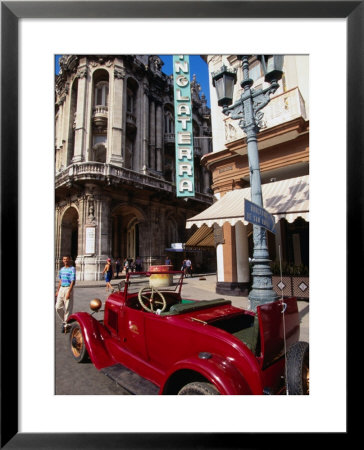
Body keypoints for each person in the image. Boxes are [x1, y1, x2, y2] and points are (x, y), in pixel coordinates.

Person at [55, 255, 76, 333]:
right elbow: (60, 280)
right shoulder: (62, 269)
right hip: (61, 289)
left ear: (70, 260)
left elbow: (73, 281)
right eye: (64, 259)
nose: (65, 260)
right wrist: (57, 290)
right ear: (62, 260)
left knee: (67, 308)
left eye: (67, 259)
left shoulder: (72, 269)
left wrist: (69, 292)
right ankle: (66, 321)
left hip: (68, 288)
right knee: (58, 307)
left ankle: (66, 324)